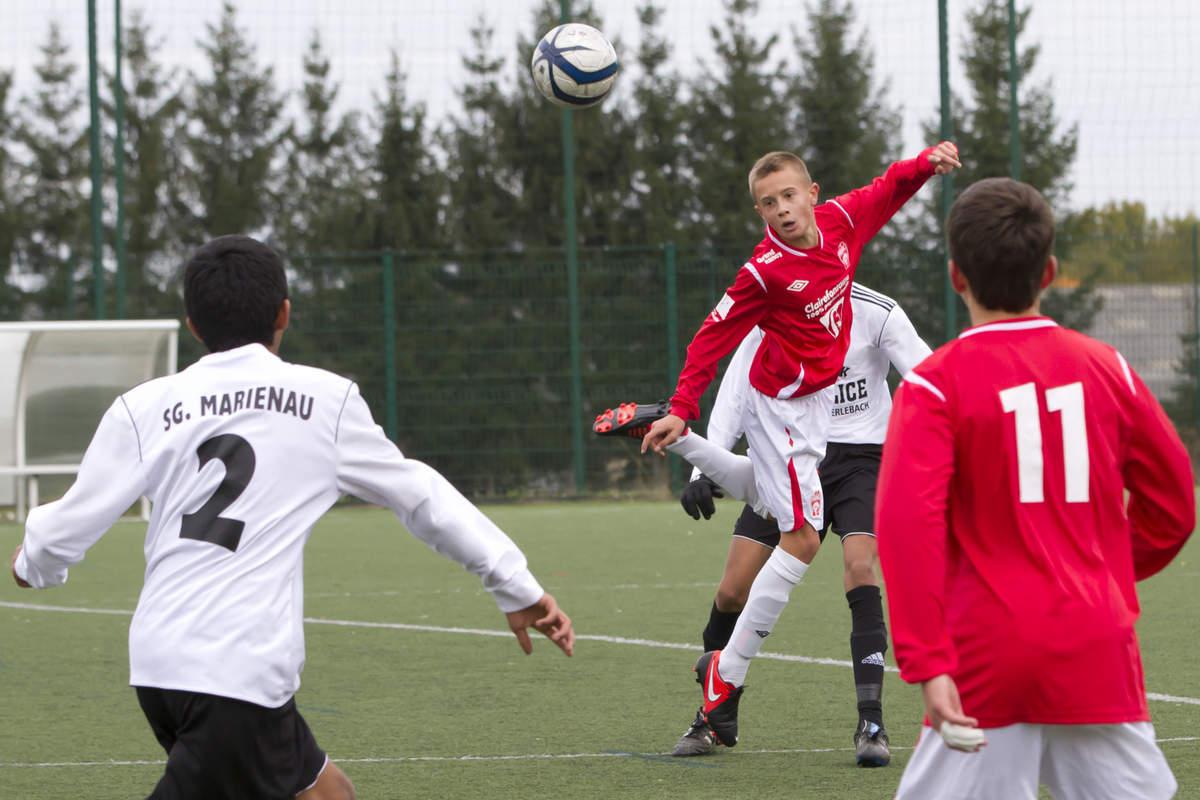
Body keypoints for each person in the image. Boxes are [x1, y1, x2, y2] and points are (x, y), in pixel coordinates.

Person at [9, 235, 575, 800]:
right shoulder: (324, 402)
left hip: (161, 665)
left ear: (193, 325)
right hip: (233, 672)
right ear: (284, 313)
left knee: (328, 795)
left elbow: (70, 521)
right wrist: (512, 584)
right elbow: (422, 497)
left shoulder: (143, 405)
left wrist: (34, 562)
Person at [875, 178, 1194, 800]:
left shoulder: (933, 388)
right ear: (1048, 271)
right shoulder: (1109, 368)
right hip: (1097, 647)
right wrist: (1099, 570)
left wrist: (928, 661)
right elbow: (1174, 506)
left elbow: (907, 531)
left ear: (955, 277)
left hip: (985, 660)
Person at [636, 142, 960, 748]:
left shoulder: (840, 222)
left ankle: (690, 452)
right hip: (779, 408)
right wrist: (684, 406)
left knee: (770, 500)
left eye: (788, 195)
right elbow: (712, 339)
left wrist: (924, 164)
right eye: (768, 204)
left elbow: (886, 190)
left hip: (814, 417)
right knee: (804, 538)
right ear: (760, 214)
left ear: (811, 194)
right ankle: (724, 679)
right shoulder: (762, 273)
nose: (781, 210)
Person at [665, 284, 931, 765]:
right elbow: (736, 390)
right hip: (787, 455)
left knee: (860, 567)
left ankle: (871, 722)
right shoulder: (775, 312)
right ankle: (712, 713)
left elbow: (928, 379)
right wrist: (703, 469)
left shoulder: (878, 313)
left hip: (862, 461)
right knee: (731, 590)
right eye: (770, 202)